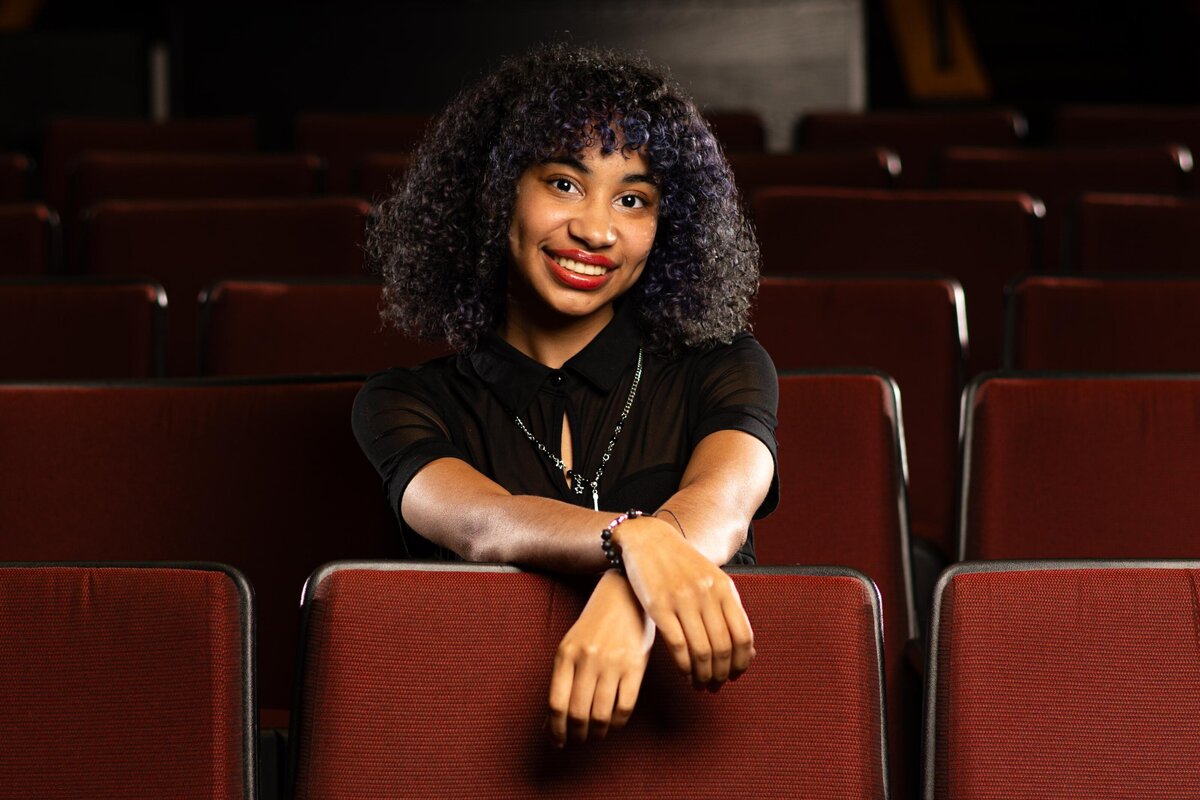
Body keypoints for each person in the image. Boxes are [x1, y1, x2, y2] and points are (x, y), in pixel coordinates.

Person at [352, 44, 778, 748]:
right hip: (470, 746)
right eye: (563, 184)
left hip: (704, 750)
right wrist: (631, 541)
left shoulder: (724, 364)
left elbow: (725, 508)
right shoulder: (401, 401)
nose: (597, 230)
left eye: (633, 199)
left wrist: (628, 586)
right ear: (494, 193)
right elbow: (486, 526)